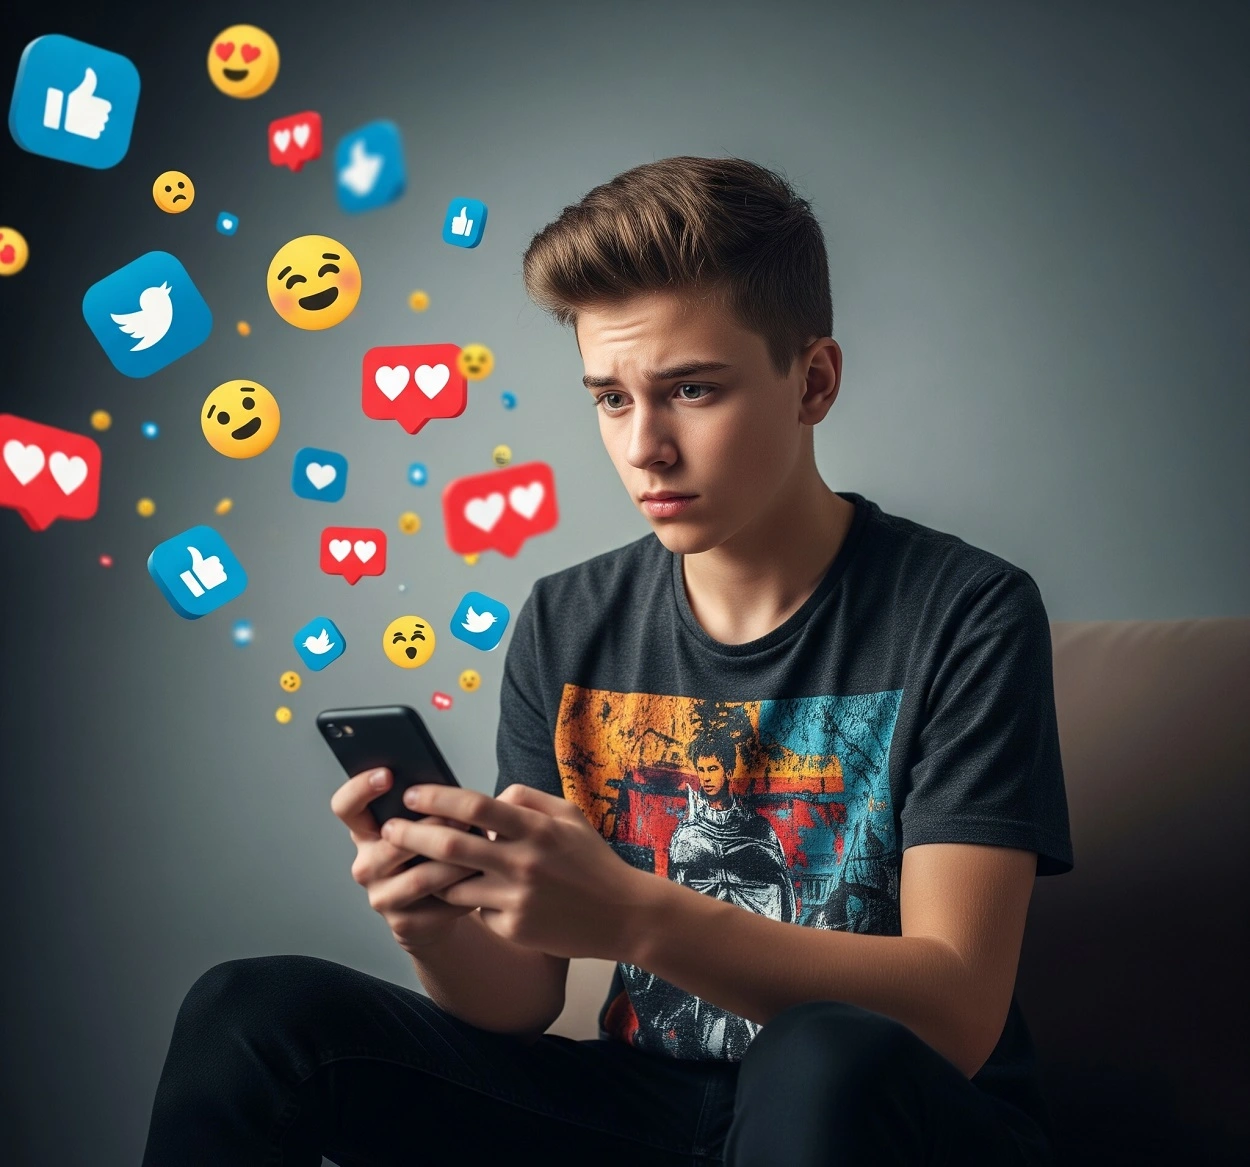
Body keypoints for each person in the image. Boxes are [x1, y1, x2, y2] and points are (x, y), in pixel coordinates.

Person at [142, 155, 1073, 1166]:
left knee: (820, 1057)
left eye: (691, 391)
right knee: (251, 1013)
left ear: (812, 381)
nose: (644, 448)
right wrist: (435, 922)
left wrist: (636, 917)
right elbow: (522, 998)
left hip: (889, 1119)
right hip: (647, 1106)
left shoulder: (965, 611)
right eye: (611, 399)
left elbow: (954, 1012)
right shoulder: (568, 619)